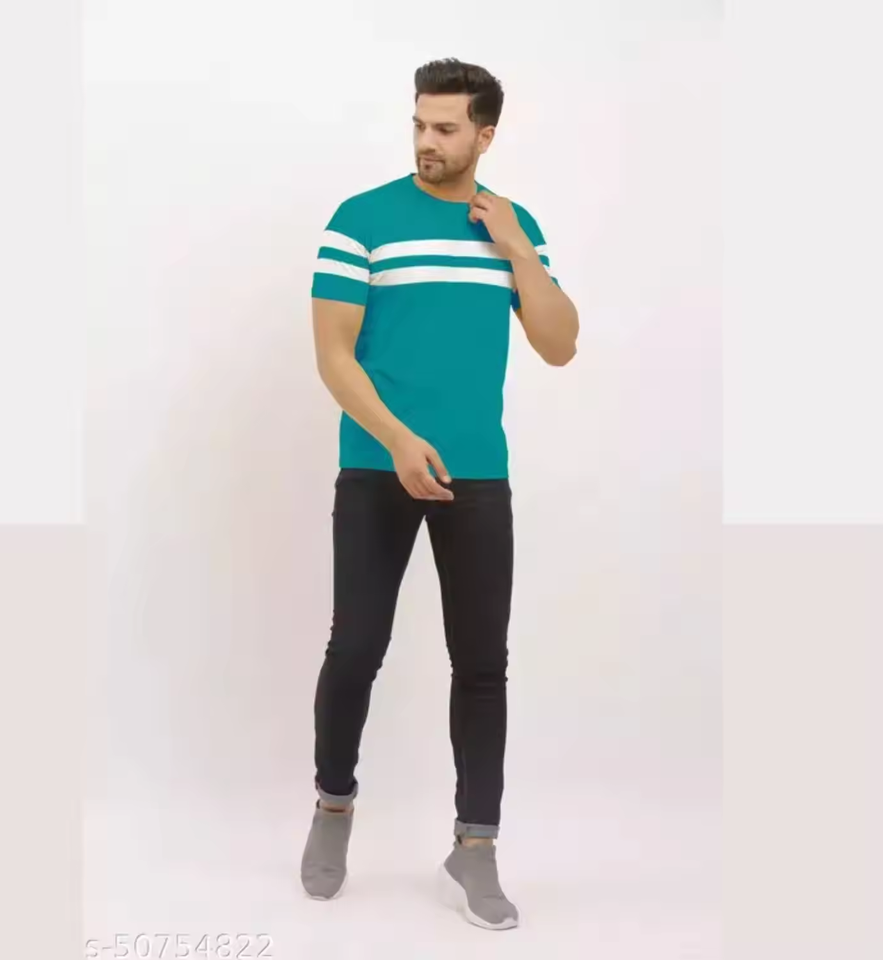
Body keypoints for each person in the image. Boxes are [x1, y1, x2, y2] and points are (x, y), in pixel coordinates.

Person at [300, 58, 579, 930]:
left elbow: (559, 344)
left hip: (478, 475)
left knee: (483, 664)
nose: (427, 140)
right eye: (420, 123)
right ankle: (334, 806)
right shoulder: (361, 220)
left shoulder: (513, 226)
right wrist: (397, 438)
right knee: (356, 648)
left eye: (447, 128)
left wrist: (517, 250)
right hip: (377, 465)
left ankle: (475, 847)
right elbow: (334, 356)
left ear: (485, 135)